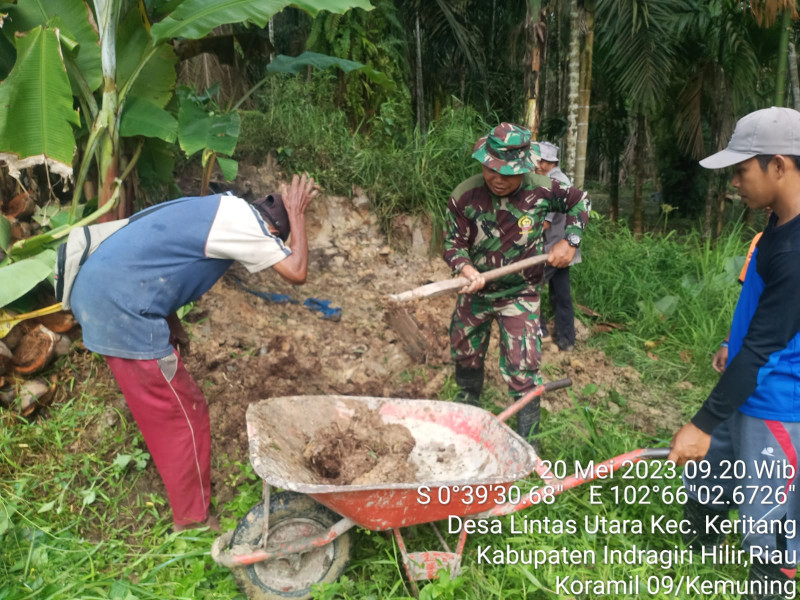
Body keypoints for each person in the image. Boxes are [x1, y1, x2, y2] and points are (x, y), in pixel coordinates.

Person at [69, 174, 318, 531]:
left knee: (169, 407)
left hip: (100, 291)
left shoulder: (220, 209)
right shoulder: (250, 229)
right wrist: (298, 215)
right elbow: (296, 271)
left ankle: (183, 498)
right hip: (121, 310)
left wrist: (173, 324)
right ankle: (192, 521)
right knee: (184, 413)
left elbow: (157, 261)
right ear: (273, 233)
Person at [668, 107, 800, 599]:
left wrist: (700, 423)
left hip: (780, 403)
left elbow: (768, 345)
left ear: (779, 166)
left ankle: (769, 586)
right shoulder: (775, 226)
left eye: (742, 170)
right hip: (746, 381)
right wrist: (732, 344)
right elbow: (765, 314)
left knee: (768, 516)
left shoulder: (797, 249)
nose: (735, 183)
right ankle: (699, 550)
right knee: (707, 479)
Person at [443, 123, 590, 445]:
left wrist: (571, 241)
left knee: (523, 368)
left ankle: (528, 442)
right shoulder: (464, 195)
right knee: (465, 352)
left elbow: (581, 202)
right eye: (491, 168)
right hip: (476, 291)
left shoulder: (544, 188)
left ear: (524, 167)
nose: (497, 178)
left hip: (520, 294)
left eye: (508, 173)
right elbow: (453, 244)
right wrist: (465, 267)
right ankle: (467, 414)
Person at [535, 141, 581, 352]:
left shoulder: (553, 185)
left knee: (528, 286)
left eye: (537, 161)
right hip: (564, 248)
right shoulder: (561, 179)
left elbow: (544, 222)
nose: (534, 165)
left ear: (545, 162)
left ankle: (540, 332)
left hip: (554, 249)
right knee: (561, 293)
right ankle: (566, 339)